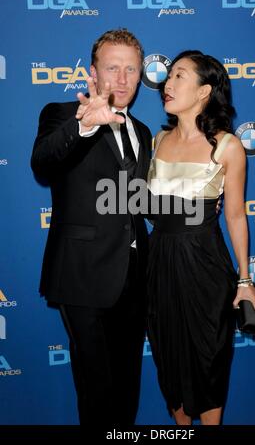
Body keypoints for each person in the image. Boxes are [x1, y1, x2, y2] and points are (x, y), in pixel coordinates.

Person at [31, 28, 152, 427]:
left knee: (127, 387)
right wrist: (84, 126)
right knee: (96, 389)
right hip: (82, 273)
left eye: (131, 69)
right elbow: (43, 163)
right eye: (112, 68)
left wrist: (197, 207)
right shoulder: (63, 114)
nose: (122, 78)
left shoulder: (143, 132)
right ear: (93, 73)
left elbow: (136, 202)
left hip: (134, 277)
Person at [147, 50, 255, 425]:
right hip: (159, 265)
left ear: (204, 91)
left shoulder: (227, 145)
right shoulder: (156, 141)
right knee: (170, 363)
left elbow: (235, 215)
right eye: (169, 76)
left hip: (205, 266)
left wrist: (245, 281)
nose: (168, 83)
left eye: (180, 76)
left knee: (208, 363)